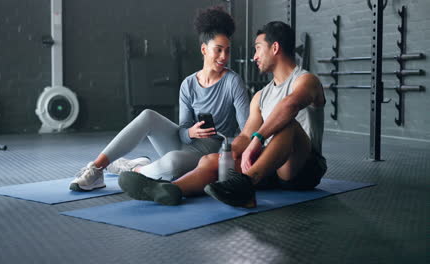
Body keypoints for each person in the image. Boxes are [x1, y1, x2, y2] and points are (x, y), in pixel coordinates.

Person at [118, 21, 327, 207]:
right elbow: (246, 135)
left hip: (303, 167)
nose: (254, 56)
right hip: (270, 166)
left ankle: (245, 186)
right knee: (211, 161)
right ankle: (170, 189)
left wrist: (258, 139)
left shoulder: (306, 80)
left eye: (257, 49)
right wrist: (225, 155)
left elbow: (289, 106)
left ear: (275, 48)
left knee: (286, 123)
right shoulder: (261, 96)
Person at [69, 6, 250, 192]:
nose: (224, 57)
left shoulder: (233, 82)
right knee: (148, 115)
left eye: (227, 51)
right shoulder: (188, 84)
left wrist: (229, 154)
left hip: (209, 152)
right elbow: (181, 131)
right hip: (185, 144)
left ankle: (134, 168)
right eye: (218, 50)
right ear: (204, 49)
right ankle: (97, 168)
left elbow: (247, 129)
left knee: (172, 163)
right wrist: (190, 133)